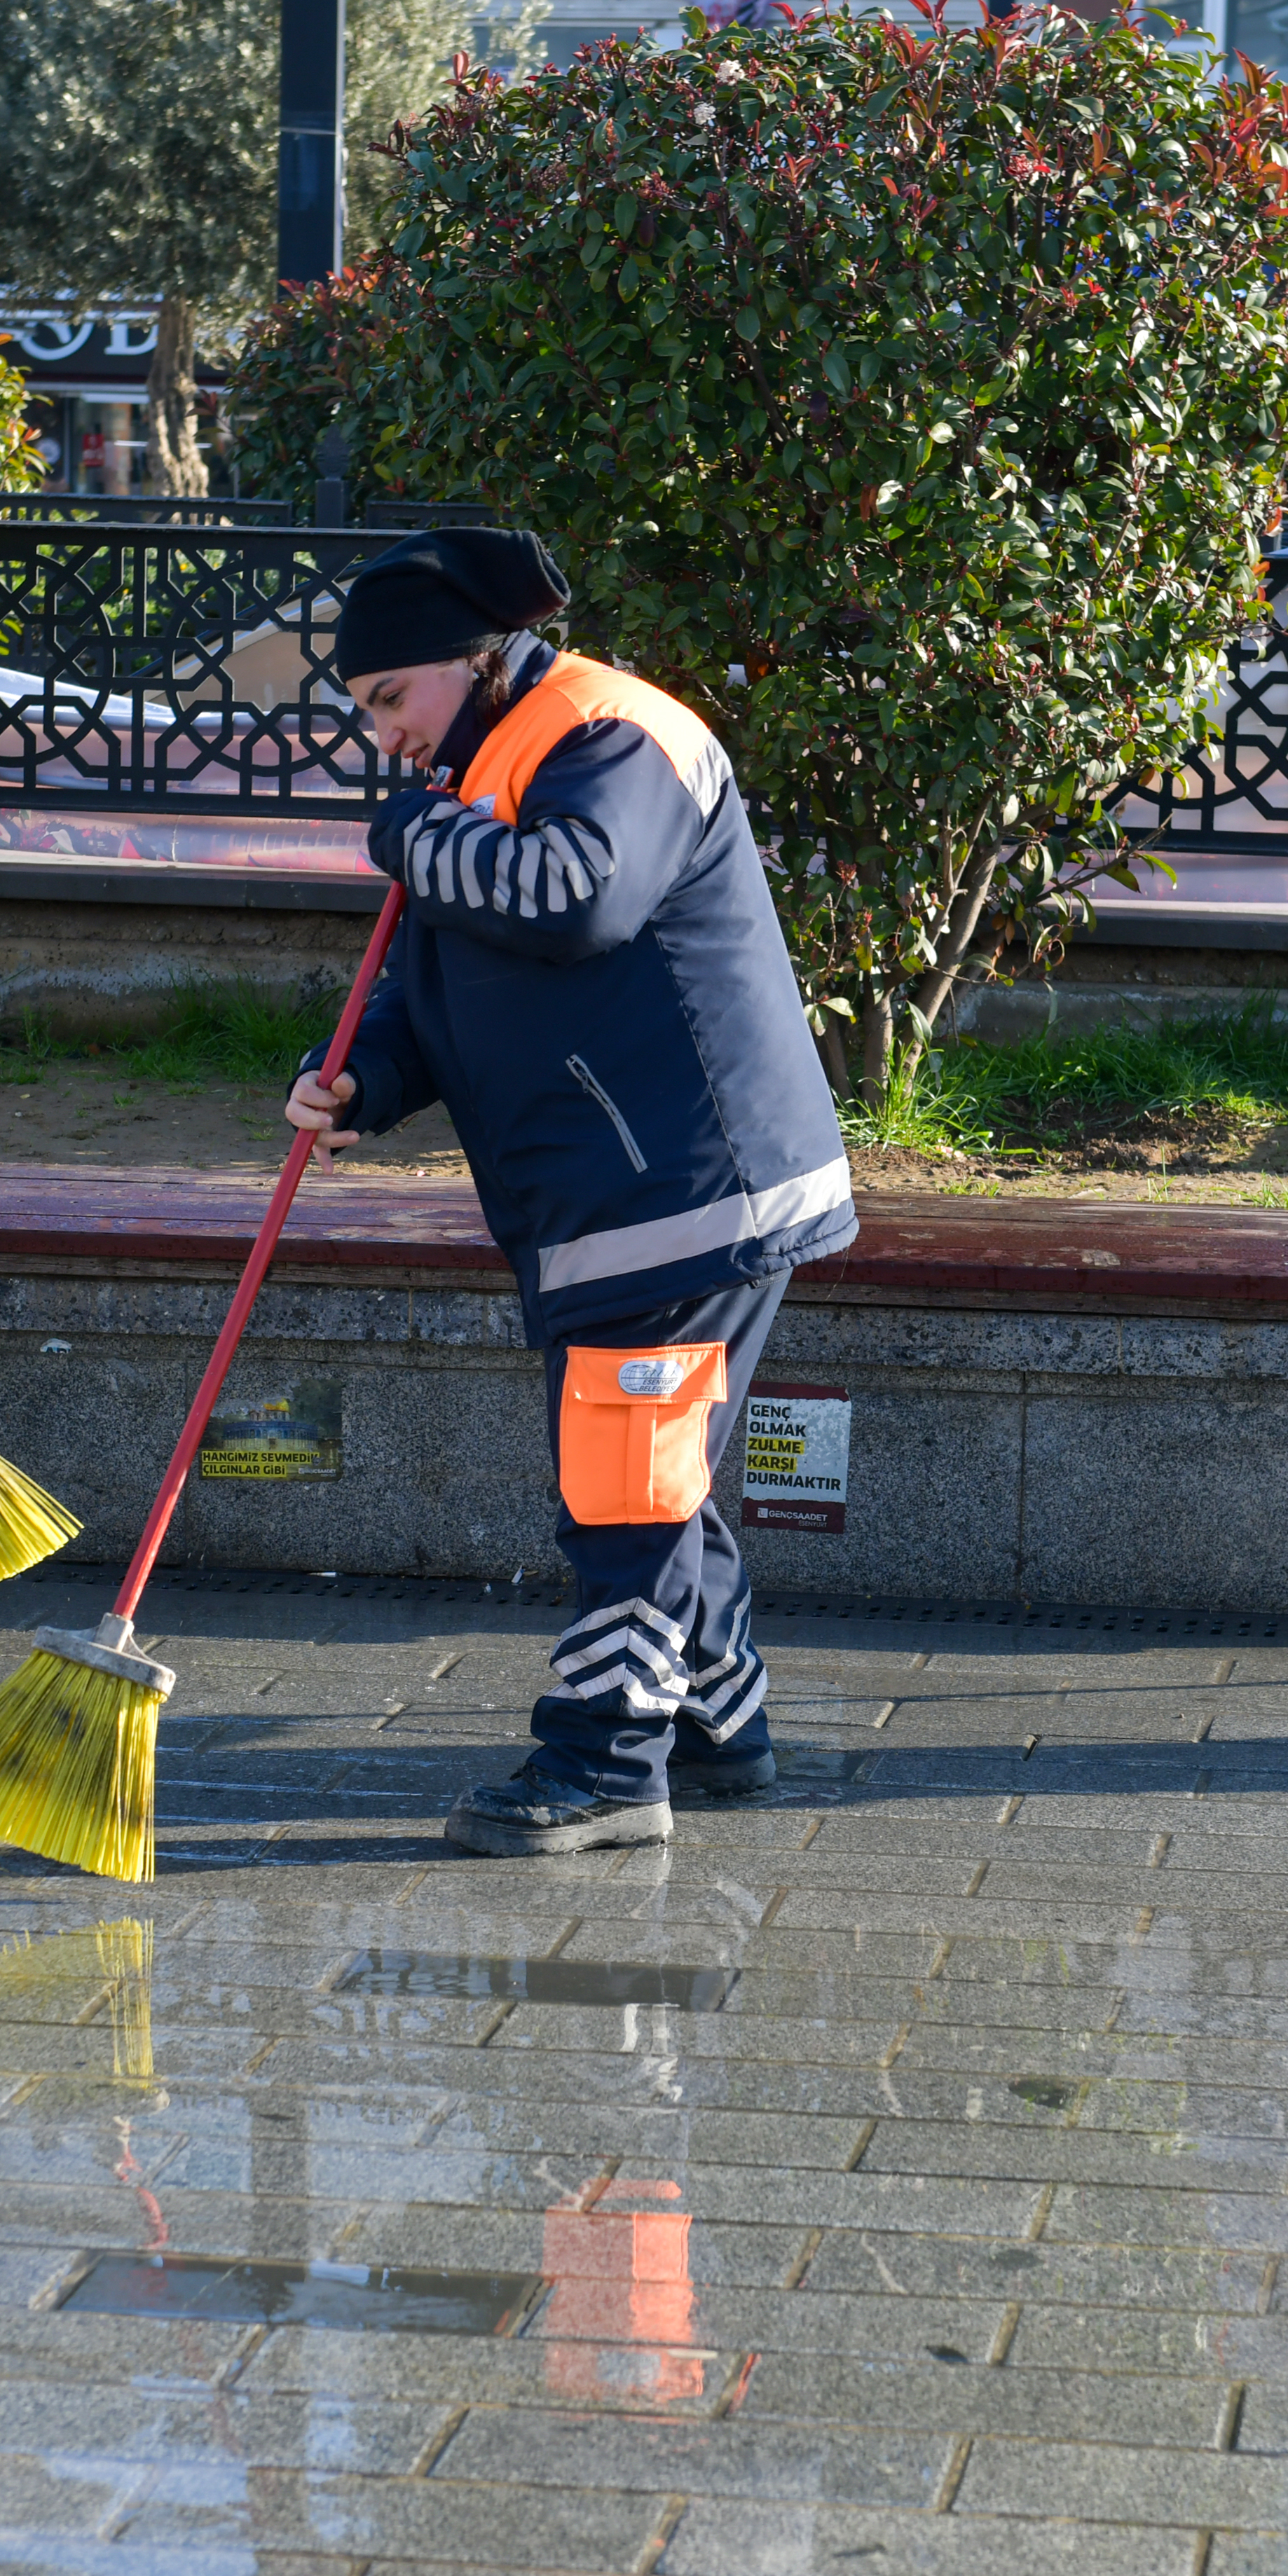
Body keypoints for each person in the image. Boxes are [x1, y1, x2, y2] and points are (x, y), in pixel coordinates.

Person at [281, 530, 856, 1858]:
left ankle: (605, 1764)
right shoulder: (483, 761)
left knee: (625, 1485)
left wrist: (415, 835)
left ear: (469, 659)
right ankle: (721, 1719)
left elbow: (571, 898)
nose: (383, 739)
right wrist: (357, 1075)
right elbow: (451, 983)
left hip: (685, 1192)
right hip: (618, 1194)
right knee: (649, 1478)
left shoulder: (610, 732)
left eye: (388, 701)